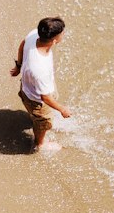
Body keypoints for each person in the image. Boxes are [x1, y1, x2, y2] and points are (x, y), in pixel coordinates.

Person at [9, 16, 71, 152]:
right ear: (54, 41)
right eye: (62, 33)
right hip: (36, 100)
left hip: (29, 85)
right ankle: (40, 143)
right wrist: (62, 109)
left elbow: (22, 44)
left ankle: (35, 119)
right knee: (44, 122)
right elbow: (45, 98)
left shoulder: (34, 34)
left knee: (41, 113)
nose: (64, 35)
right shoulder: (40, 69)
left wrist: (19, 66)